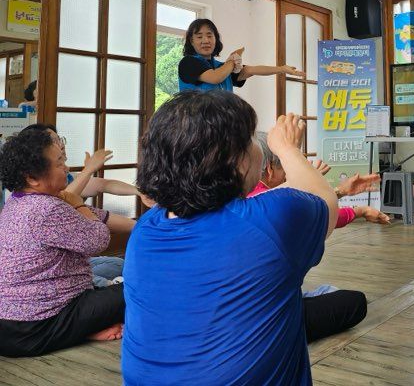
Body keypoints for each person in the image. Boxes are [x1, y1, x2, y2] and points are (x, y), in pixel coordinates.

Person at [122, 91, 339, 385]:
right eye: (252, 138)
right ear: (235, 162)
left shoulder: (145, 229)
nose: (259, 146)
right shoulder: (270, 221)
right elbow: (324, 199)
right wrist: (287, 148)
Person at [0, 129, 131, 357]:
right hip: (36, 328)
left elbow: (93, 215)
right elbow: (98, 238)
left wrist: (144, 227)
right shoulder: (47, 209)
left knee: (112, 271)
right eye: (60, 162)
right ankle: (78, 329)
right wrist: (78, 203)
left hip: (12, 327)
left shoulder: (18, 201)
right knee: (142, 287)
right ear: (32, 177)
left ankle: (83, 330)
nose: (67, 168)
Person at [250, 131, 387, 342]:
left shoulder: (238, 202)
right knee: (354, 302)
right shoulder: (270, 203)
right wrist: (352, 206)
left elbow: (313, 208)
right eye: (283, 167)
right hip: (266, 320)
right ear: (269, 168)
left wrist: (338, 193)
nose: (286, 174)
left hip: (244, 312)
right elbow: (319, 213)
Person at [19, 123, 143, 287]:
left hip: (73, 261)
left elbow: (102, 186)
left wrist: (140, 192)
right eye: (53, 141)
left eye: (59, 140)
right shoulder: (39, 201)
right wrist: (89, 169)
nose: (60, 146)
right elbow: (66, 200)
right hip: (48, 278)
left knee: (117, 264)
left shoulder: (65, 177)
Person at [178, 18, 305, 92]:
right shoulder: (188, 63)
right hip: (196, 129)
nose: (205, 40)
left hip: (223, 127)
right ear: (191, 41)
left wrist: (282, 69)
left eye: (210, 35)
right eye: (199, 36)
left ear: (216, 39)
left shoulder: (222, 66)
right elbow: (216, 77)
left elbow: (251, 69)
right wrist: (233, 59)